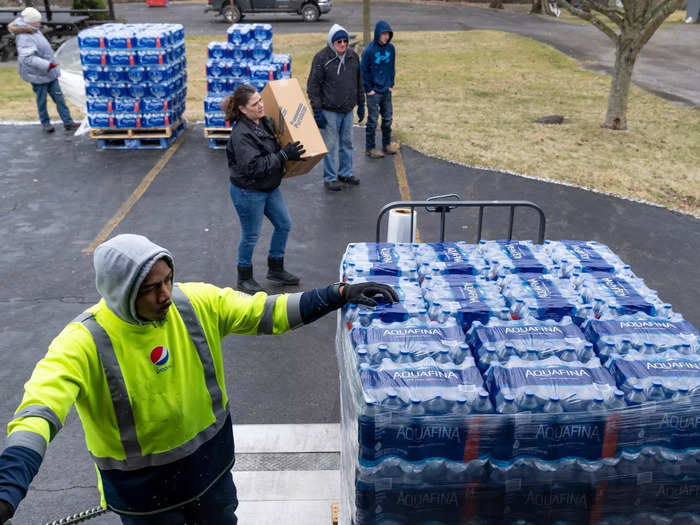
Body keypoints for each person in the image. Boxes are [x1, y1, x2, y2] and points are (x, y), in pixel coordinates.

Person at [0, 233, 398, 525]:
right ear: (121, 292)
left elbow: (268, 312)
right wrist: (9, 486)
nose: (166, 294)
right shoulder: (83, 342)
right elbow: (39, 410)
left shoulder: (194, 304)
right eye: (152, 289)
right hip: (147, 498)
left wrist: (338, 293)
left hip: (211, 474)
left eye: (168, 280)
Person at [223, 83, 306, 294]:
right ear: (242, 109)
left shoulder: (264, 122)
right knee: (251, 235)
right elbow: (253, 167)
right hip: (249, 191)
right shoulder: (241, 135)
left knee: (284, 224)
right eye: (255, 104)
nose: (261, 105)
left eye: (260, 100)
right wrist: (283, 156)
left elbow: (275, 146)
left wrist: (288, 150)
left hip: (269, 187)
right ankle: (244, 277)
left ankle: (275, 269)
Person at [307, 24, 365, 191]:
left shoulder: (353, 57)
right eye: (338, 41)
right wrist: (317, 110)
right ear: (332, 42)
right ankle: (330, 177)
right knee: (330, 145)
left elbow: (359, 82)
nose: (342, 44)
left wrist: (361, 104)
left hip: (348, 110)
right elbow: (313, 86)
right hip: (329, 110)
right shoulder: (321, 58)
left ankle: (345, 173)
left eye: (345, 41)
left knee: (347, 143)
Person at [8, 8, 80, 133]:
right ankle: (46, 123)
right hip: (38, 75)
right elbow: (27, 58)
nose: (39, 23)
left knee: (59, 98)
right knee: (42, 101)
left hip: (49, 73)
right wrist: (48, 65)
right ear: (30, 22)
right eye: (37, 21)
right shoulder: (24, 36)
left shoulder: (33, 30)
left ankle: (68, 122)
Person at [361, 20, 399, 159]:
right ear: (377, 34)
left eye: (388, 34)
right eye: (383, 34)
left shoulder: (391, 49)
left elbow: (391, 67)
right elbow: (363, 71)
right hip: (374, 92)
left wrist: (391, 84)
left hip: (386, 91)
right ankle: (370, 148)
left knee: (388, 118)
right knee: (372, 120)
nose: (386, 37)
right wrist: (369, 89)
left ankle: (386, 144)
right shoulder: (369, 50)